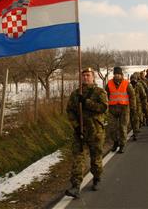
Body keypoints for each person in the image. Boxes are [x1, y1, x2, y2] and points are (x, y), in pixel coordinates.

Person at [65, 68, 108, 198]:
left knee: (96, 158)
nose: (85, 78)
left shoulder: (100, 92)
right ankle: (75, 186)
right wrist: (76, 126)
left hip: (96, 131)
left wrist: (86, 102)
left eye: (88, 75)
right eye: (83, 76)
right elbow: (70, 111)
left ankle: (97, 178)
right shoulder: (76, 93)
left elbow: (103, 108)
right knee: (78, 158)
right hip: (81, 132)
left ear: (93, 77)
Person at [106, 66, 136, 153]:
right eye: (115, 74)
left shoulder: (127, 84)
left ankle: (122, 145)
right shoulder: (109, 84)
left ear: (121, 74)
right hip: (112, 109)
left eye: (119, 74)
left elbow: (132, 96)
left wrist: (133, 108)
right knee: (112, 128)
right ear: (114, 75)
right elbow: (105, 95)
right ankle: (115, 142)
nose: (117, 76)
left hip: (124, 108)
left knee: (123, 128)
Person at [130, 73, 147, 140]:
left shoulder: (139, 86)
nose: (133, 81)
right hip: (130, 105)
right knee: (132, 119)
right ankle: (135, 129)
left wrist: (144, 104)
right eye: (132, 79)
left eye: (134, 79)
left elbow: (143, 95)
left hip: (138, 105)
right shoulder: (128, 86)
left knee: (136, 119)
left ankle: (135, 133)